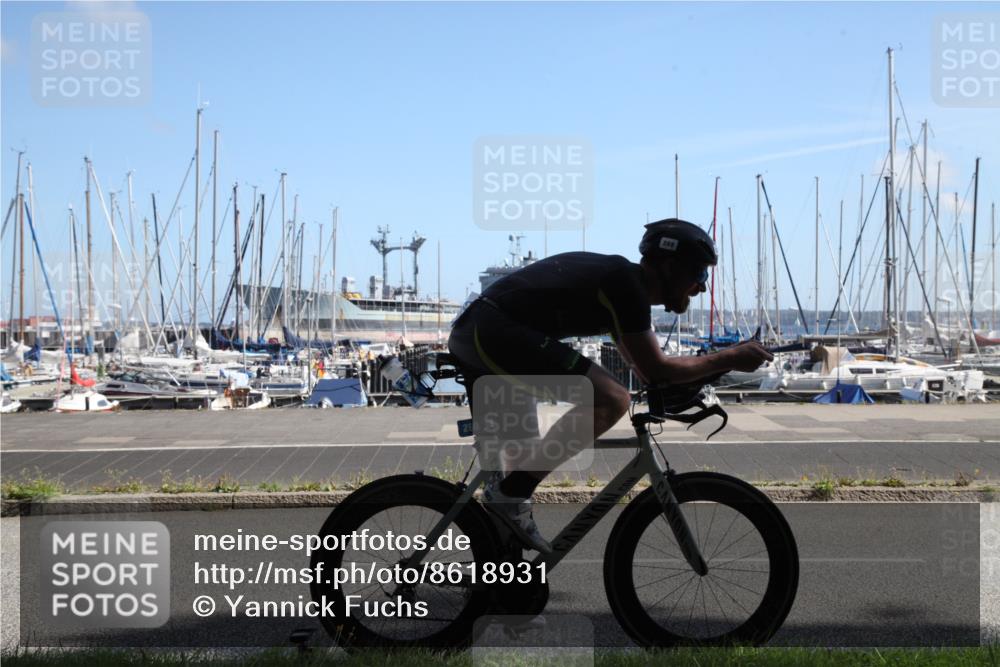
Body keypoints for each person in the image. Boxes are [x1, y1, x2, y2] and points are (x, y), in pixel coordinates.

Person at [448, 219, 774, 554]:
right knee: (612, 398)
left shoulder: (624, 289)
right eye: (700, 274)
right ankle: (510, 496)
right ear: (670, 267)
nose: (702, 287)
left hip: (485, 330)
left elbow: (649, 374)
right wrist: (731, 358)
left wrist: (702, 376)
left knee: (519, 465)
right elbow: (656, 368)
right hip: (488, 332)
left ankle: (502, 575)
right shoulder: (625, 285)